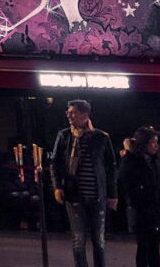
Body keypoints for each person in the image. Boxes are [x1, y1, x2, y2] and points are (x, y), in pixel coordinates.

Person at [50, 98, 118, 267]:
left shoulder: (101, 137)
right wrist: (57, 186)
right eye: (68, 112)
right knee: (79, 239)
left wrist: (112, 195)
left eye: (72, 112)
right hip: (74, 194)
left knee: (99, 240)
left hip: (97, 195)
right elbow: (55, 163)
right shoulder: (64, 136)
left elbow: (111, 167)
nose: (68, 115)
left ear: (85, 115)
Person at [119, 126, 160, 267]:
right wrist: (136, 200)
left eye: (156, 142)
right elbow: (125, 183)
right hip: (140, 209)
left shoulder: (155, 160)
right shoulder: (131, 160)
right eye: (152, 142)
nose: (156, 146)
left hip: (155, 208)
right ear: (143, 144)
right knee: (143, 246)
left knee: (154, 246)